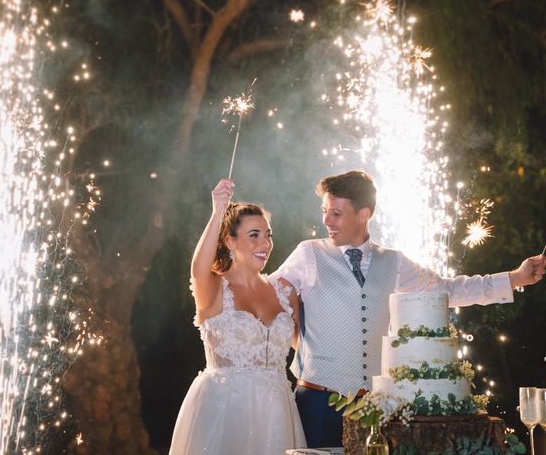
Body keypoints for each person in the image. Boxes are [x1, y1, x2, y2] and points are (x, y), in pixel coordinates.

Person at [272, 170, 546, 448]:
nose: (326, 221)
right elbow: (263, 294)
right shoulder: (308, 254)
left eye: (336, 213)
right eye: (325, 211)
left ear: (364, 214)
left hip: (375, 409)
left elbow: (447, 290)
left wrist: (516, 277)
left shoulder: (393, 261)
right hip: (318, 402)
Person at [169, 178, 306, 454]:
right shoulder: (213, 288)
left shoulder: (284, 292)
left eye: (268, 234)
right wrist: (218, 211)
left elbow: (305, 349)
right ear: (229, 241)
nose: (265, 243)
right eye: (254, 235)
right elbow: (199, 266)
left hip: (277, 415)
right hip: (224, 411)